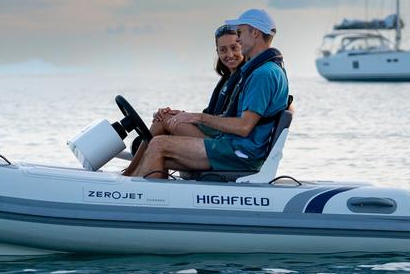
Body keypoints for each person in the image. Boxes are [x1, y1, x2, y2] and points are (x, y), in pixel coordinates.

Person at [123, 9, 290, 179]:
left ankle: (138, 194)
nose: (238, 38)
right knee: (158, 150)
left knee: (159, 144)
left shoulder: (263, 74)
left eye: (240, 32)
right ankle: (139, 188)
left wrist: (198, 117)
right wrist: (185, 116)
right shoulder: (265, 70)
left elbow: (244, 127)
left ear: (254, 32)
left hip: (241, 153)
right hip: (236, 147)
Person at [120, 24, 245, 174]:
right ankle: (132, 172)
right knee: (163, 117)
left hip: (221, 140)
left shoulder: (244, 79)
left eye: (234, 48)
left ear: (242, 46)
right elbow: (211, 115)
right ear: (217, 51)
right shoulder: (227, 79)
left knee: (161, 136)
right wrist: (180, 114)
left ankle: (129, 174)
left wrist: (188, 117)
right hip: (214, 133)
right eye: (223, 50)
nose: (229, 55)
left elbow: (226, 121)